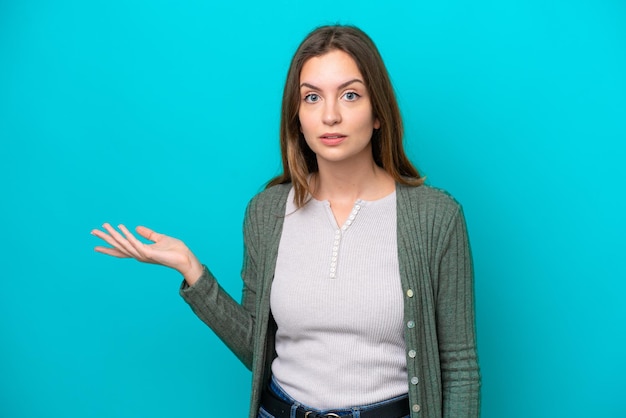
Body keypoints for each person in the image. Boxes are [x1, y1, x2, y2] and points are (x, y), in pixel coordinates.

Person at [92, 25, 480, 418]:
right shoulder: (268, 212)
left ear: (378, 111)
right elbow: (256, 349)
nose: (330, 115)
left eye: (350, 95)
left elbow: (459, 368)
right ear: (297, 117)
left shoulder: (436, 217)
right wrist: (192, 271)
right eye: (312, 98)